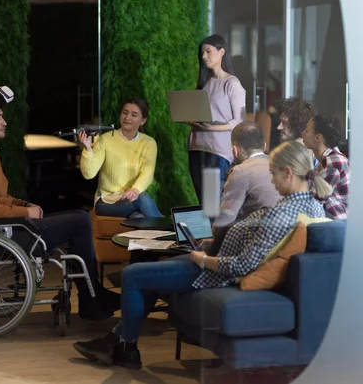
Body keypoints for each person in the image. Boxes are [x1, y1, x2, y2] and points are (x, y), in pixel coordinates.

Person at [72, 140, 330, 370]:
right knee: (152, 273)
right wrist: (212, 245)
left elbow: (243, 266)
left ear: (288, 172)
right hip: (216, 260)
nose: (272, 181)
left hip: (215, 272)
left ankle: (125, 348)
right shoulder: (311, 205)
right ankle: (117, 341)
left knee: (133, 276)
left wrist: (204, 259)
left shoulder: (282, 213)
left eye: (273, 174)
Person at [0, 89, 120, 320]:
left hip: (9, 227)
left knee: (78, 216)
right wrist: (26, 211)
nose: (4, 122)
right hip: (3, 234)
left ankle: (91, 294)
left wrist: (24, 204)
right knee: (81, 220)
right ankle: (90, 297)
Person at [204, 121, 281, 256]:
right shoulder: (281, 165)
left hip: (254, 249)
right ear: (264, 145)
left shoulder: (241, 171)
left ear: (235, 150)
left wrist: (209, 243)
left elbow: (224, 220)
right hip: (281, 244)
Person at [79, 98, 162, 219]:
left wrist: (135, 190)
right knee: (142, 198)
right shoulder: (105, 139)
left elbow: (148, 172)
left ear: (143, 121)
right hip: (106, 202)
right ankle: (171, 230)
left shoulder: (149, 143)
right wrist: (88, 149)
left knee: (138, 217)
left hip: (130, 199)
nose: (127, 118)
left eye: (134, 115)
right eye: (124, 112)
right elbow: (88, 174)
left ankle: (167, 232)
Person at [188, 34, 246, 202]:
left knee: (213, 204)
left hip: (217, 150)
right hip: (196, 146)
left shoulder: (232, 84)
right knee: (203, 203)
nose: (204, 56)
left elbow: (239, 121)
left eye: (208, 51)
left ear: (221, 52)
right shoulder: (204, 82)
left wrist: (211, 127)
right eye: (202, 53)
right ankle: (208, 229)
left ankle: (215, 230)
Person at [302, 114, 350, 219]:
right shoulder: (328, 159)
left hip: (337, 225)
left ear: (318, 138)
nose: (302, 133)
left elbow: (315, 202)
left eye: (306, 130)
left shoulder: (334, 162)